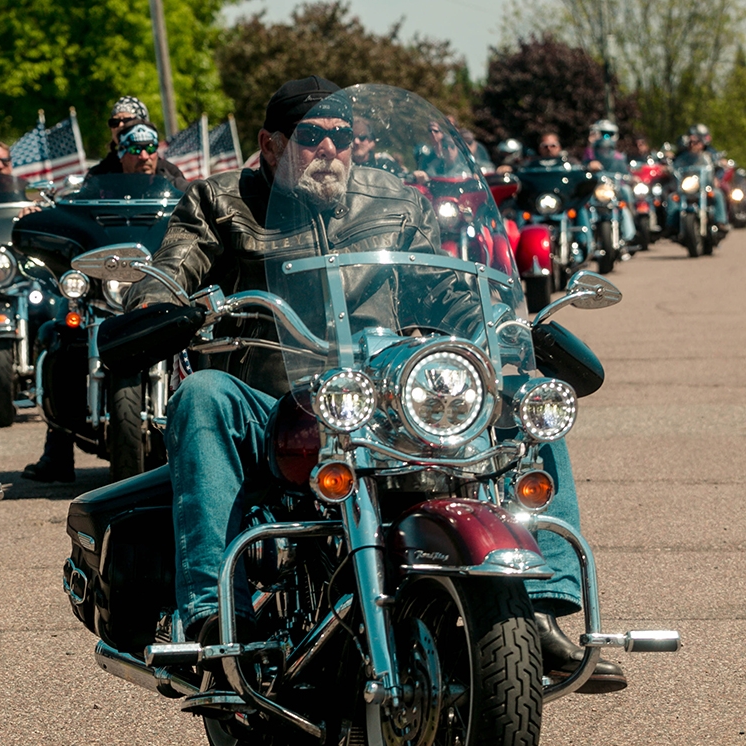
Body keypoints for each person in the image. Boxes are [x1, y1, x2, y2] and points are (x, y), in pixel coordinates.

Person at [123, 76, 626, 693]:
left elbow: (443, 289)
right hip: (274, 402)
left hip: (384, 396)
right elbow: (171, 270)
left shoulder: (395, 200)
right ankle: (213, 616)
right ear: (270, 144)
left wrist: (499, 326)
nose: (330, 149)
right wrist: (155, 305)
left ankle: (539, 610)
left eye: (341, 136)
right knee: (202, 395)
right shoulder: (219, 201)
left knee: (525, 400)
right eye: (312, 136)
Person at [21, 109, 189, 484]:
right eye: (135, 148)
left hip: (155, 283)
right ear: (121, 149)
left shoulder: (175, 180)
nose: (144, 155)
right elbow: (72, 216)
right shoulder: (98, 180)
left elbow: (196, 213)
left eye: (150, 148)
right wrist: (43, 212)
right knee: (62, 334)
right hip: (102, 285)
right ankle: (57, 453)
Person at [666, 123, 728, 233]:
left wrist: (718, 171)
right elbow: (675, 166)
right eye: (691, 142)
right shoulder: (682, 156)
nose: (693, 145)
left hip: (704, 186)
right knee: (672, 198)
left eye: (696, 142)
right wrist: (668, 167)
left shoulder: (708, 155)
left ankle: (721, 222)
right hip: (687, 188)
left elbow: (717, 164)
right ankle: (671, 226)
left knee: (717, 194)